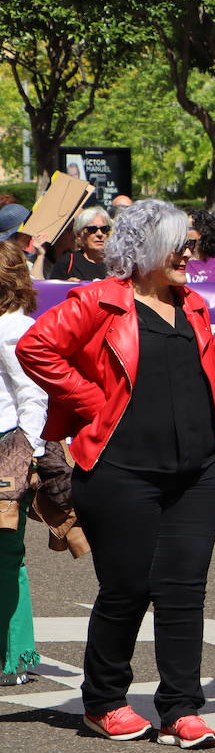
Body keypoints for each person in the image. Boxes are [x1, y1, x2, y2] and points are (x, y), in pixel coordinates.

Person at [18, 199, 215, 748]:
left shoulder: (195, 306)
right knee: (127, 589)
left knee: (185, 591)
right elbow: (34, 346)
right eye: (177, 242)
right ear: (144, 249)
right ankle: (104, 701)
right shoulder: (99, 301)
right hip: (122, 473)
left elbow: (198, 378)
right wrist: (90, 399)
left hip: (197, 475)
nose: (189, 251)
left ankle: (181, 708)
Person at [0, 241, 47, 687]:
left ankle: (13, 657)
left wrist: (25, 452)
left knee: (5, 555)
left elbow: (33, 397)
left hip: (5, 452)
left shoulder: (15, 328)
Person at [51, 205, 111, 281]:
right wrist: (66, 286)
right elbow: (54, 291)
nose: (99, 234)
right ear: (79, 235)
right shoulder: (67, 262)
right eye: (92, 229)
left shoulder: (116, 263)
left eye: (104, 229)